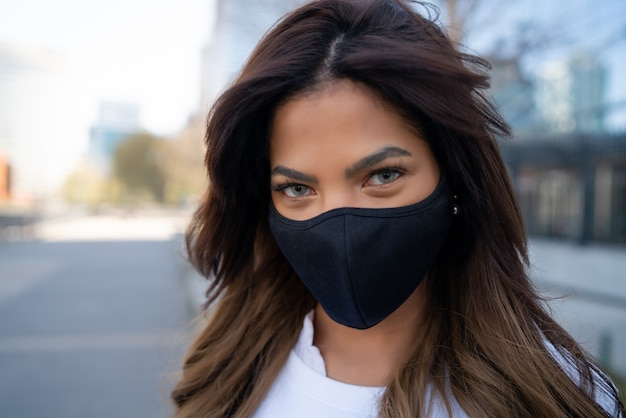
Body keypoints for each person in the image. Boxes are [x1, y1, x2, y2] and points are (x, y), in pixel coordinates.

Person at [171, 0, 625, 417]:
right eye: (296, 188)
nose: (339, 223)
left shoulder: (555, 397)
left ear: (455, 179)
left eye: (383, 176)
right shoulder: (227, 371)